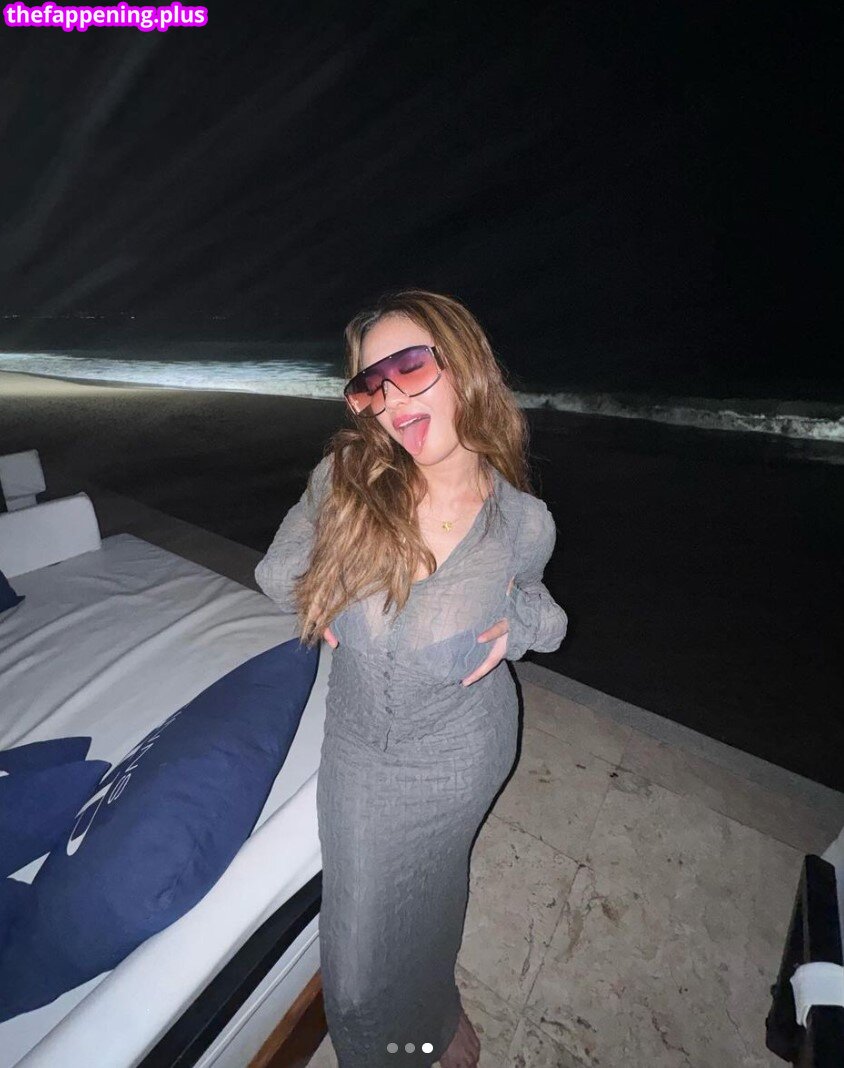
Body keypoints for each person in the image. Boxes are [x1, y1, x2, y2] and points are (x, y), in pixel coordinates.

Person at [254, 289, 569, 1068]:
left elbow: (548, 616)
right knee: (355, 975)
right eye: (371, 384)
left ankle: (434, 1007)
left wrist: (520, 626)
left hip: (467, 751)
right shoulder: (346, 477)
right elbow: (275, 569)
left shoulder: (522, 522)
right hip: (363, 747)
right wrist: (322, 589)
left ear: (465, 366)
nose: (391, 398)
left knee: (435, 887)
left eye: (410, 367)